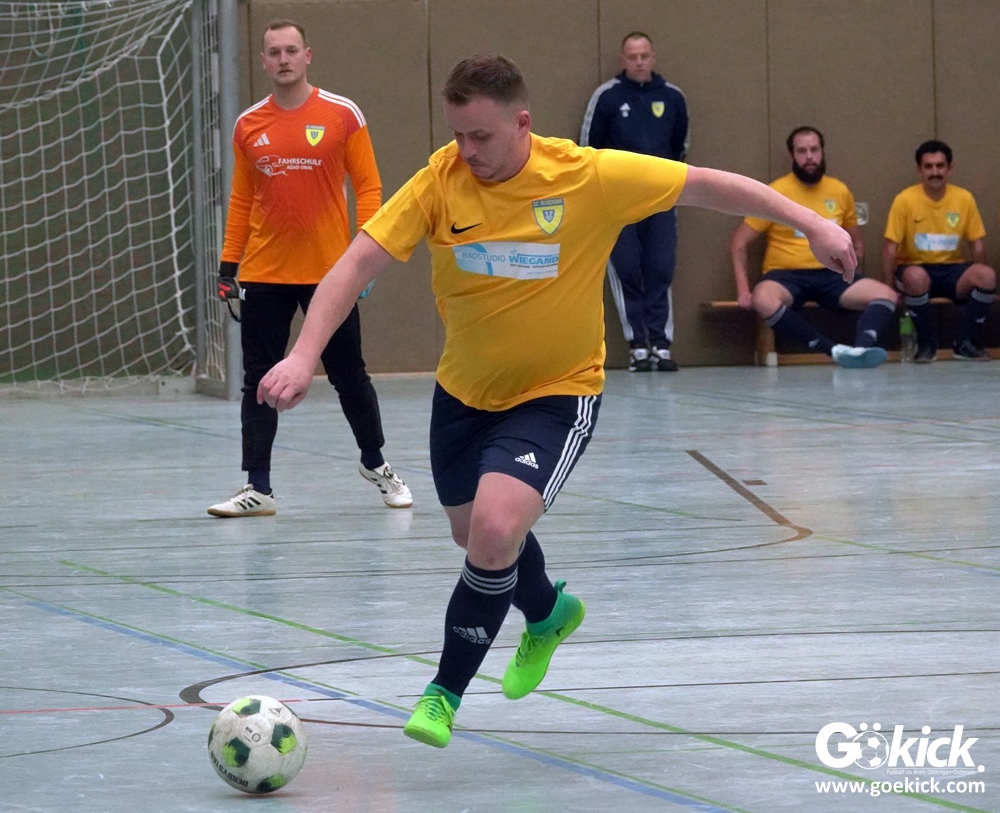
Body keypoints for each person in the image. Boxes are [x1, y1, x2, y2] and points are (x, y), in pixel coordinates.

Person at [258, 55, 857, 748]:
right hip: (463, 393)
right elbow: (356, 263)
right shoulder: (440, 182)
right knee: (474, 535)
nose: (467, 150)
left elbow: (709, 186)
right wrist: (303, 354)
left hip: (557, 393)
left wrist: (811, 223)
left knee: (493, 530)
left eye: (481, 136)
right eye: (457, 135)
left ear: (522, 123)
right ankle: (546, 613)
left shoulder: (588, 176)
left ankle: (442, 694)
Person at [207, 19, 411, 517]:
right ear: (263, 61)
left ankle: (376, 463)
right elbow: (241, 201)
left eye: (291, 50)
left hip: (329, 274)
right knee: (259, 380)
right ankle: (258, 487)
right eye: (274, 52)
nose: (283, 59)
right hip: (263, 274)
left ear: (307, 56)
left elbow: (369, 188)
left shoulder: (343, 114)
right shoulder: (248, 124)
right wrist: (228, 266)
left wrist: (364, 259)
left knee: (349, 375)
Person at [730, 126, 896, 368]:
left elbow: (856, 242)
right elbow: (739, 242)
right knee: (763, 299)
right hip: (785, 276)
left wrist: (852, 269)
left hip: (832, 275)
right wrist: (743, 290)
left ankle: (861, 350)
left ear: (822, 151)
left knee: (886, 295)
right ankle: (833, 351)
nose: (809, 157)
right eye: (802, 151)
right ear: (792, 155)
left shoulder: (839, 190)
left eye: (814, 150)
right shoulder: (775, 192)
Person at [580, 32, 689, 372]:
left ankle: (661, 344)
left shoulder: (672, 97)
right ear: (622, 60)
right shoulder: (607, 96)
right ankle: (637, 346)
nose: (639, 62)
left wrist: (666, 182)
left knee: (660, 267)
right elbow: (588, 148)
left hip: (661, 197)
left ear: (653, 57)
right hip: (618, 201)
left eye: (644, 55)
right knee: (626, 267)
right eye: (632, 56)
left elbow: (680, 146)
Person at [882, 139, 996, 363]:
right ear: (919, 170)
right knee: (916, 277)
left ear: (949, 169)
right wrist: (887, 286)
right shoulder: (904, 200)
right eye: (928, 166)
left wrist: (980, 278)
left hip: (952, 270)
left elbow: (977, 244)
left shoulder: (964, 198)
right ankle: (926, 346)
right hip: (915, 269)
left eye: (940, 166)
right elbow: (890, 247)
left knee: (987, 276)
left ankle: (965, 344)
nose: (935, 172)